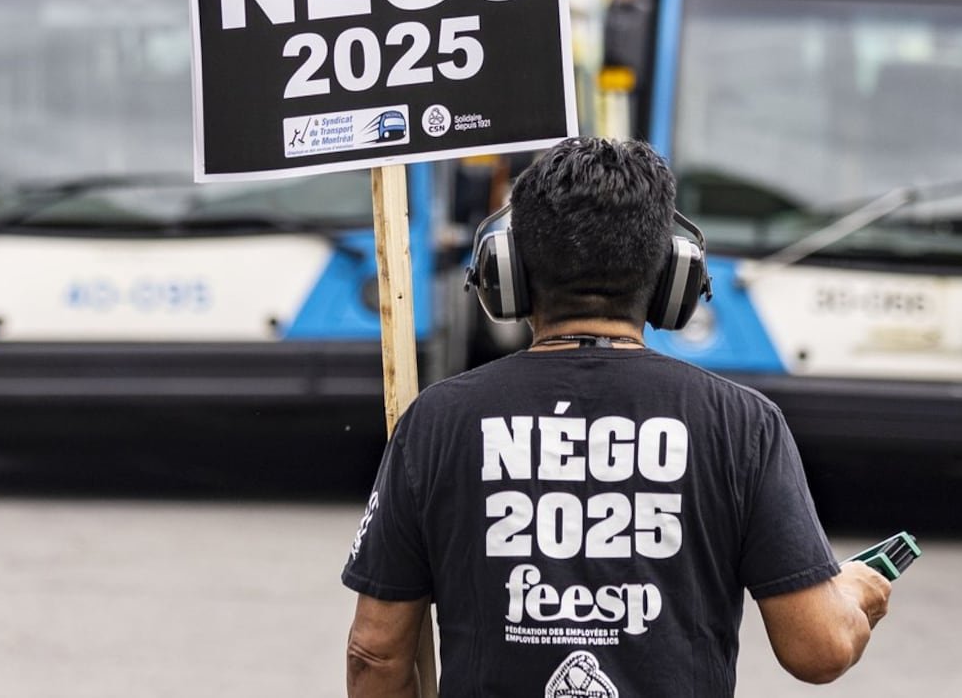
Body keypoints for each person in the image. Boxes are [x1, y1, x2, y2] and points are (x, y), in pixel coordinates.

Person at [342, 137, 890, 696]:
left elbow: (375, 654)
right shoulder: (743, 425)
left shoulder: (437, 421)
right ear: (674, 279)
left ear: (507, 272)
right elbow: (819, 650)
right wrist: (854, 594)